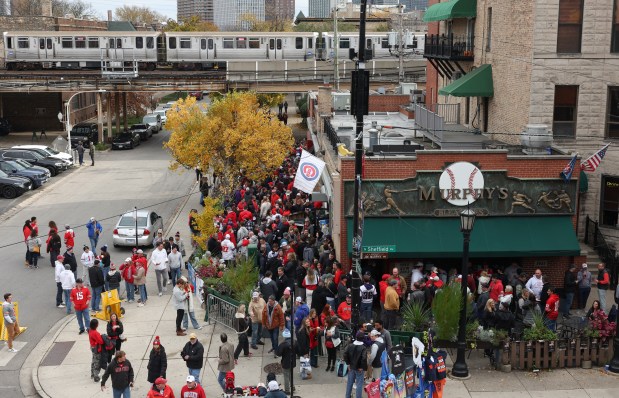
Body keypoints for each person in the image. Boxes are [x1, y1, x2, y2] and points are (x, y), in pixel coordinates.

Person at [344, 331, 368, 398]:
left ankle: (347, 396)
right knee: (359, 384)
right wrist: (361, 367)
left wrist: (348, 363)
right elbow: (363, 358)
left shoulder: (350, 345)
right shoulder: (363, 347)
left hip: (351, 367)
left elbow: (345, 354)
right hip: (359, 368)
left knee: (350, 383)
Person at [275, 329, 296, 394]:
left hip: (285, 362)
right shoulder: (294, 341)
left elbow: (278, 353)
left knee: (286, 376)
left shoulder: (283, 344)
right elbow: (298, 350)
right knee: (290, 375)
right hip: (293, 362)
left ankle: (287, 390)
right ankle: (293, 387)